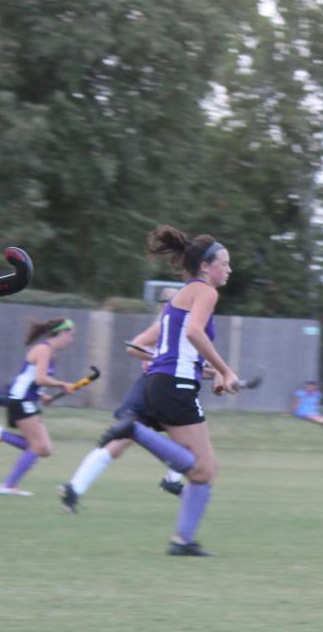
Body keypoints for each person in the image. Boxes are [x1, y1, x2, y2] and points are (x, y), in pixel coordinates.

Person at [94, 225, 239, 555]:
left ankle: (182, 541)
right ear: (206, 266)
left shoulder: (182, 295)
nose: (229, 269)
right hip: (174, 386)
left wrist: (213, 372)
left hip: (160, 382)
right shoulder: (205, 292)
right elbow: (194, 334)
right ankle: (135, 431)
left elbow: (178, 353)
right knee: (203, 469)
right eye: (225, 263)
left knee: (203, 470)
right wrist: (226, 369)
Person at [59, 320, 202, 515]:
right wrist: (163, 357)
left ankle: (74, 489)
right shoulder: (168, 323)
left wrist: (219, 373)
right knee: (190, 445)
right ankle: (171, 481)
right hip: (158, 389)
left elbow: (191, 366)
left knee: (187, 445)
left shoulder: (189, 328)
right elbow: (135, 347)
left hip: (164, 389)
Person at [0, 318, 78, 496]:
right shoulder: (44, 350)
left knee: (45, 449)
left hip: (26, 399)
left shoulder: (50, 352)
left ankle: (1, 435)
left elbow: (30, 380)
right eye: (71, 335)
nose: (71, 339)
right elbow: (40, 378)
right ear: (62, 332)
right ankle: (8, 486)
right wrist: (62, 385)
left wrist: (43, 396)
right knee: (38, 446)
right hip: (20, 400)